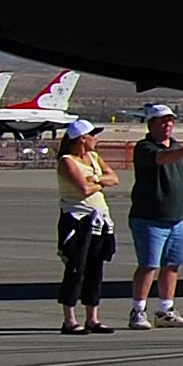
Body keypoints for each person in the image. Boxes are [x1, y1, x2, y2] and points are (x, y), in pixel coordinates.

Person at [124, 103, 183, 325]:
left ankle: (165, 309)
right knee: (149, 264)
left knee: (172, 264)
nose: (168, 125)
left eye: (170, 121)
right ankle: (138, 310)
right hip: (149, 218)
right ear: (151, 125)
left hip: (175, 218)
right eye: (162, 121)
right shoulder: (145, 147)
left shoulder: (177, 147)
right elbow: (162, 158)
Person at [54, 116, 118, 334]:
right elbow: (83, 189)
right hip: (77, 219)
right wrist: (97, 182)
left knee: (95, 268)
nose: (95, 139)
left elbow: (114, 178)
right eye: (92, 135)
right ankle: (69, 319)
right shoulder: (67, 161)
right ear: (81, 139)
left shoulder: (93, 157)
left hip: (99, 219)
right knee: (75, 267)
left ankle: (93, 317)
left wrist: (97, 181)